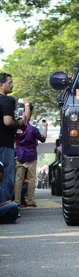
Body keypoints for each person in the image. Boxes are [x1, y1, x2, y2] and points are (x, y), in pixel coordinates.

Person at [0, 73, 27, 204]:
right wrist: (20, 124)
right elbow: (8, 122)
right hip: (4, 145)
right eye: (9, 82)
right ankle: (5, 205)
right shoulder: (7, 100)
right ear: (1, 85)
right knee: (6, 176)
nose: (12, 85)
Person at [14, 104, 46, 207]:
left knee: (18, 179)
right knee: (31, 179)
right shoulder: (33, 129)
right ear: (30, 113)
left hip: (19, 154)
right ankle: (30, 201)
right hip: (31, 155)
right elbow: (43, 139)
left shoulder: (15, 128)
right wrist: (46, 128)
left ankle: (17, 201)